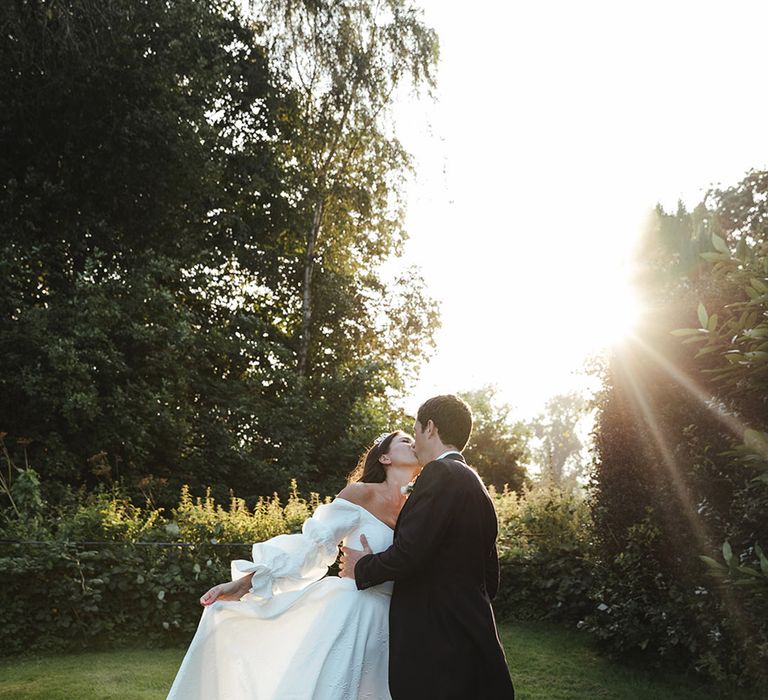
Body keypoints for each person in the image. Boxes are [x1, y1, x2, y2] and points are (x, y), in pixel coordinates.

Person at [166, 431, 420, 700]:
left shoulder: (417, 507)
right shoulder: (360, 494)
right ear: (384, 457)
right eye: (405, 441)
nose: (413, 443)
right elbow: (311, 546)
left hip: (394, 620)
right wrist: (247, 582)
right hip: (353, 611)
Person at [340, 395, 515, 699]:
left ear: (430, 428)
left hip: (436, 642)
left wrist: (363, 567)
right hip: (471, 632)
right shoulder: (476, 485)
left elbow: (410, 552)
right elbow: (491, 577)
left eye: (416, 430)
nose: (415, 441)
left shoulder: (439, 474)